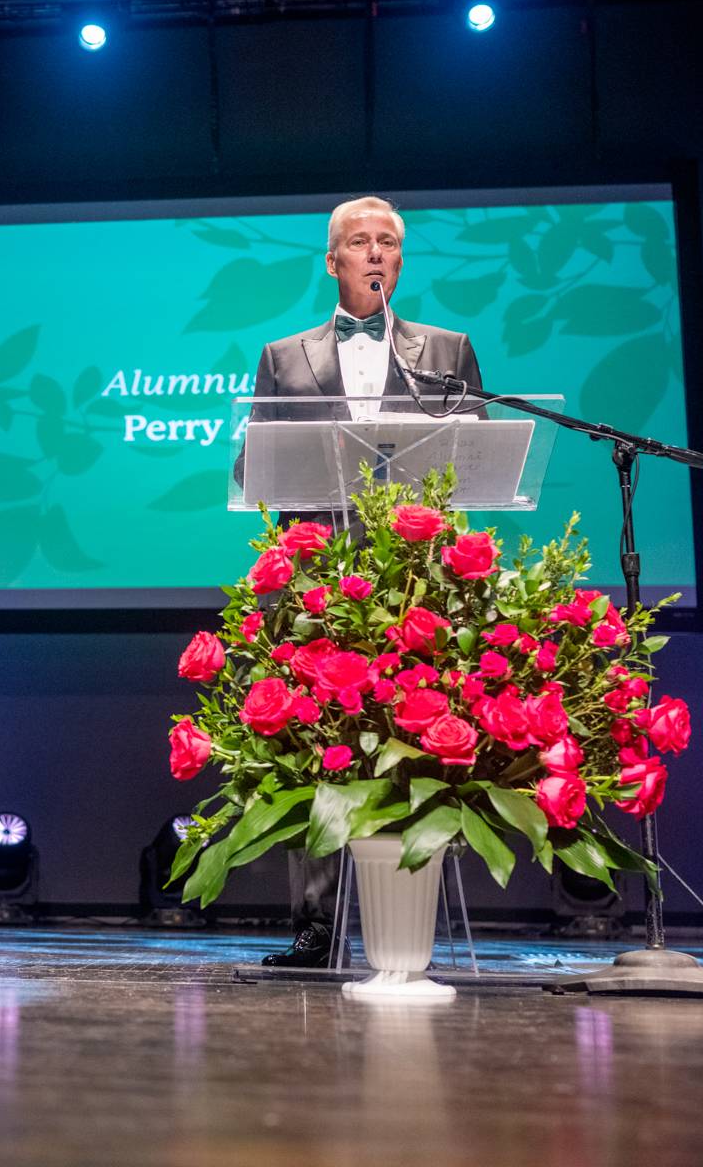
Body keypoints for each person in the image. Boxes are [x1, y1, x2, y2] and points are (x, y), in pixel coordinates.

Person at [246, 196, 485, 968]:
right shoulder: (284, 357)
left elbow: (476, 462)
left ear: (400, 261)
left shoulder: (446, 351)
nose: (374, 253)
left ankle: (410, 920)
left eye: (387, 242)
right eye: (359, 242)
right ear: (333, 261)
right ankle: (315, 927)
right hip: (317, 584)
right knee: (321, 749)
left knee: (416, 740)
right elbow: (257, 469)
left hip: (414, 583)